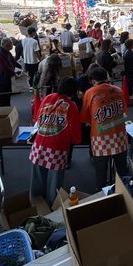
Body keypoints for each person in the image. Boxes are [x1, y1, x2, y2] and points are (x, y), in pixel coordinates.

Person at [29, 77, 81, 205]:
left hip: (39, 144)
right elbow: (75, 135)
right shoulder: (71, 106)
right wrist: (75, 140)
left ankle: (36, 204)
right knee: (55, 183)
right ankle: (53, 207)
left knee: (37, 179)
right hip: (57, 148)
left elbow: (37, 118)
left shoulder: (48, 98)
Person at [80, 66, 128, 191]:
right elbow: (124, 111)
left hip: (100, 139)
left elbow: (85, 118)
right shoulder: (118, 90)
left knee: (101, 172)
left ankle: (102, 195)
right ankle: (127, 191)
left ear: (92, 81)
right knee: (123, 170)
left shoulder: (90, 92)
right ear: (106, 77)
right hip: (119, 136)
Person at [0, 38, 22, 107]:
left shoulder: (6, 51)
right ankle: (3, 110)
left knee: (7, 94)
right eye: (11, 45)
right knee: (3, 96)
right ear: (7, 45)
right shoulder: (0, 54)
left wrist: (21, 67)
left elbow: (13, 61)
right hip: (1, 79)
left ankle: (7, 109)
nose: (12, 46)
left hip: (6, 77)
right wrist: (14, 74)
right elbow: (3, 67)